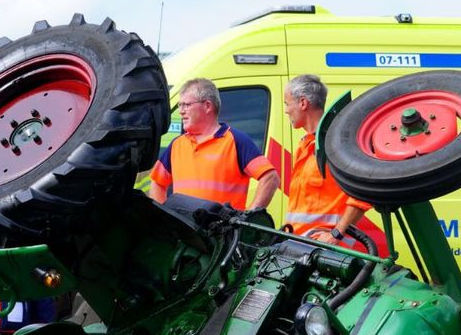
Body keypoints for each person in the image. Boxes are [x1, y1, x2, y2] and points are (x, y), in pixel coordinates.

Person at [149, 78, 279, 210]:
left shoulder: (236, 141)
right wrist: (163, 220)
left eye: (186, 105)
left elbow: (270, 178)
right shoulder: (177, 145)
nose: (181, 111)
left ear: (207, 106)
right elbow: (157, 183)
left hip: (221, 230)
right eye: (180, 105)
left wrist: (249, 217)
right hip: (184, 230)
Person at [284, 74, 371, 248]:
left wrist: (336, 234)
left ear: (303, 103)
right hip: (302, 246)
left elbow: (362, 194)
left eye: (287, 103)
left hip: (328, 251)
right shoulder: (306, 145)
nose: (286, 110)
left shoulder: (336, 146)